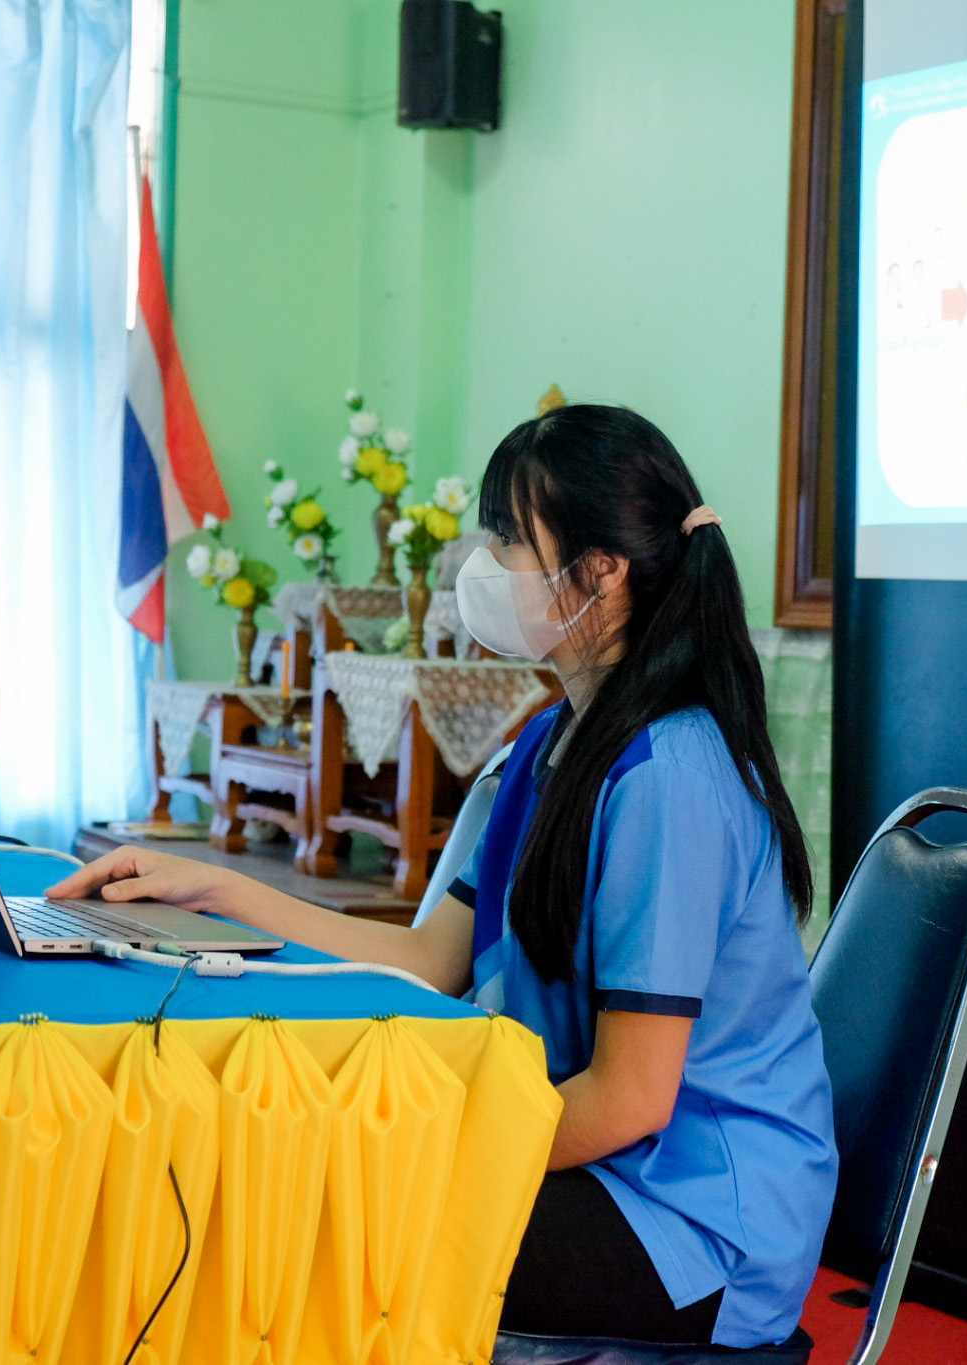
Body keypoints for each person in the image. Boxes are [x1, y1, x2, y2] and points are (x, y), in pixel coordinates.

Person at [47, 405, 837, 1350]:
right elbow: (431, 958)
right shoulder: (552, 745)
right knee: (302, 1189)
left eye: (509, 539)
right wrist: (209, 888)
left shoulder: (670, 774)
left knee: (333, 1226)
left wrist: (432, 1147)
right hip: (612, 1168)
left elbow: (632, 1098)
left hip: (696, 1222)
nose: (486, 562)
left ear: (602, 571)